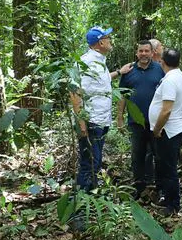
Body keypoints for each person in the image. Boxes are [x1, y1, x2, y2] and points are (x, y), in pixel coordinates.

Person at [69, 26, 132, 193]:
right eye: (108, 38)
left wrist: (119, 72)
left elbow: (100, 80)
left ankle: (91, 197)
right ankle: (81, 205)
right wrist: (82, 124)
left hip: (101, 121)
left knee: (95, 162)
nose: (110, 41)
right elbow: (74, 93)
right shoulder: (84, 62)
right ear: (101, 42)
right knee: (89, 163)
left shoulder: (99, 61)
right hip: (91, 122)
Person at [117, 40, 164, 200]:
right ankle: (139, 187)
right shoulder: (129, 70)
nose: (143, 54)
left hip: (156, 122)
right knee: (138, 155)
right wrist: (119, 118)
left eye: (146, 51)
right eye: (141, 51)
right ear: (137, 53)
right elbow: (123, 95)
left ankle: (158, 188)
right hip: (135, 122)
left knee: (158, 155)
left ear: (152, 53)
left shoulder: (159, 69)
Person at [149, 49, 182, 216]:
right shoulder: (180, 76)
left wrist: (157, 129)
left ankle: (173, 205)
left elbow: (166, 110)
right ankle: (167, 197)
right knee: (167, 167)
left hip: (168, 131)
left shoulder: (170, 81)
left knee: (169, 169)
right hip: (175, 129)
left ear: (162, 62)